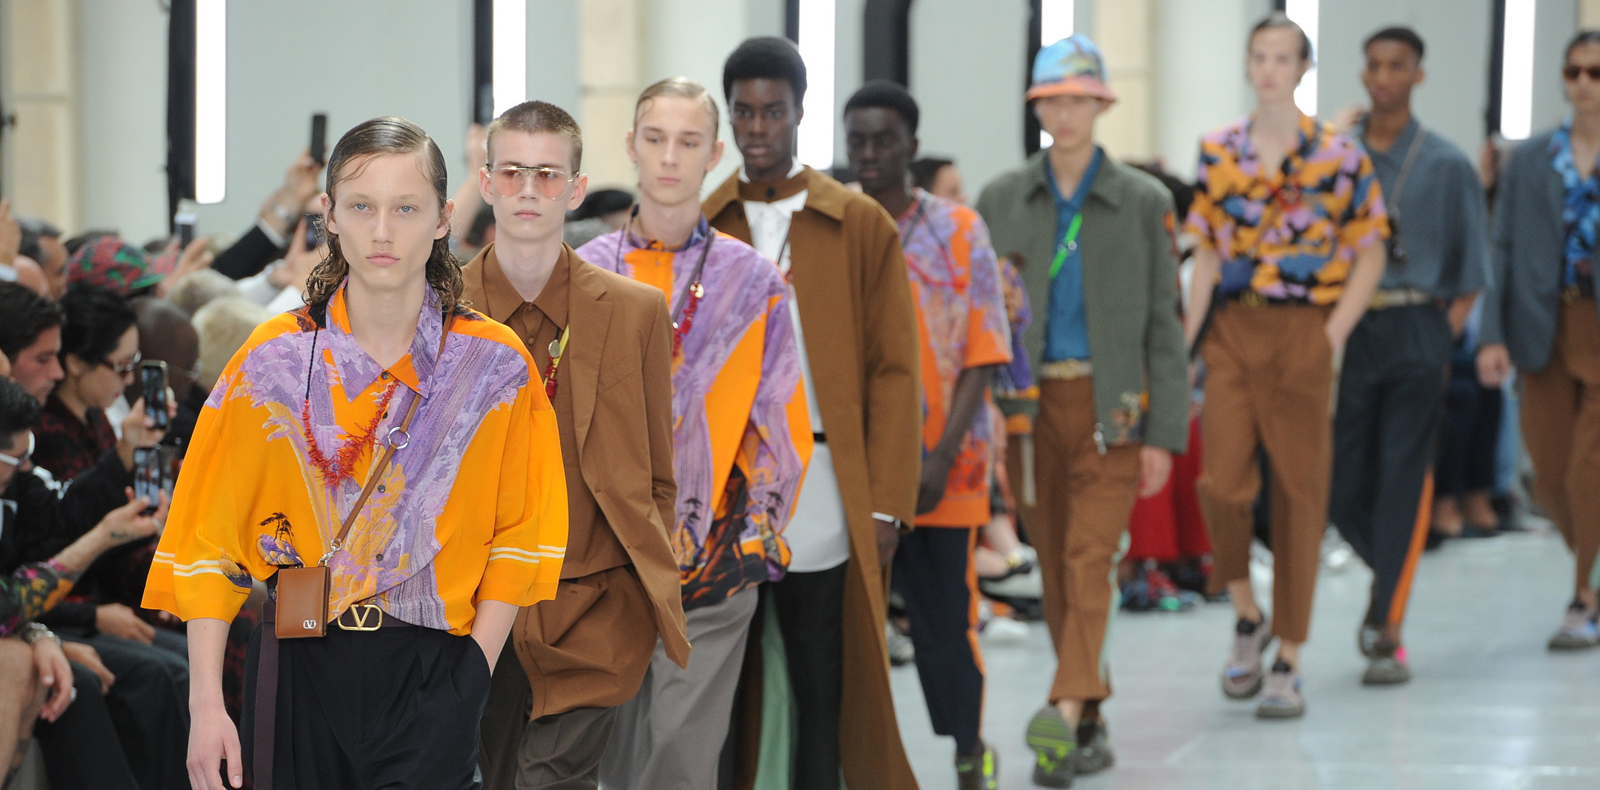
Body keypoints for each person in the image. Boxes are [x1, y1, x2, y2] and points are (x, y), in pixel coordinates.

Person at [147, 116, 569, 790]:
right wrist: (205, 704)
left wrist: (473, 672)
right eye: (362, 207)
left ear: (443, 218)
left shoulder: (493, 365)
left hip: (437, 667)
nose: (382, 231)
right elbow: (207, 535)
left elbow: (524, 529)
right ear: (330, 215)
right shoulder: (271, 361)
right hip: (298, 661)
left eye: (406, 208)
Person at [575, 76, 811, 790]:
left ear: (714, 154)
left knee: (682, 754)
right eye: (656, 139)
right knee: (609, 756)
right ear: (631, 146)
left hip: (713, 552)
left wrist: (758, 528)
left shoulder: (754, 281)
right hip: (603, 555)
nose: (670, 157)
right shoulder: (584, 274)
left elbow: (779, 415)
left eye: (688, 142)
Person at [705, 36, 921, 790]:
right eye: (743, 112)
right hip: (726, 488)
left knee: (820, 677)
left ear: (801, 112)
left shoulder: (858, 223)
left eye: (773, 111)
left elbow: (895, 370)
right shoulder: (705, 223)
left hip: (825, 483)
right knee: (721, 689)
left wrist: (888, 503)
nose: (757, 128)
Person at [975, 33, 1188, 785]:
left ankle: (1062, 711)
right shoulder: (1001, 200)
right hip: (1027, 414)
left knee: (1089, 558)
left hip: (1113, 408)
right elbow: (983, 319)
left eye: (1079, 100)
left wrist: (1164, 432)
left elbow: (1165, 323)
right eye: (1052, 101)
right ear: (1037, 109)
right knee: (1061, 573)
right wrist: (988, 413)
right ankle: (1091, 717)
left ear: (1101, 104)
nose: (1065, 114)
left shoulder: (1145, 202)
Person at [464, 100, 686, 790]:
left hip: (596, 604)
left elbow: (657, 468)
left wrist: (641, 583)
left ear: (577, 188)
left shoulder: (636, 311)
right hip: (473, 609)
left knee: (551, 781)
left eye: (548, 174)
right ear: (487, 182)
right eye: (512, 172)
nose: (529, 190)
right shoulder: (437, 311)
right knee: (496, 776)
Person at [1183, 12, 1388, 719]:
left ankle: (1290, 653)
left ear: (1304, 68)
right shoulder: (1219, 149)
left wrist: (1331, 334)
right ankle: (1247, 610)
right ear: (1248, 65)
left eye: (1282, 57)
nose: (1269, 69)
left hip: (1305, 328)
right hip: (1232, 330)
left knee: (1301, 492)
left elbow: (1371, 251)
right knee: (1220, 483)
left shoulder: (1338, 155)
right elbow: (1207, 253)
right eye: (1259, 56)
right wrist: (1185, 343)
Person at [843, 80, 1010, 788]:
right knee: (852, 629)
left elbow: (985, 347)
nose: (870, 153)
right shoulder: (836, 225)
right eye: (858, 141)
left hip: (945, 468)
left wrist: (939, 459)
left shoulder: (959, 230)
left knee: (944, 625)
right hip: (853, 469)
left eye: (884, 140)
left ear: (911, 144)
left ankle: (969, 746)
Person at [1327, 26, 1489, 683]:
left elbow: (1470, 272)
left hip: (1420, 322)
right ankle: (1394, 569)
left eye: (1397, 66)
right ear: (1362, 74)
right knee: (1341, 485)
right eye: (1373, 65)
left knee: (1402, 475)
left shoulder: (1446, 164)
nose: (1383, 77)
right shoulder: (1341, 158)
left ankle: (1387, 622)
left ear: (1417, 74)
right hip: (1355, 327)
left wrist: (1440, 337)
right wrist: (1330, 143)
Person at [1479, 30, 1600, 650]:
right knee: (1549, 476)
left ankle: (1584, 598)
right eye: (1573, 71)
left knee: (1588, 472)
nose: (1583, 84)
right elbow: (1499, 248)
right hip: (1540, 325)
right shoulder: (1529, 159)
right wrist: (1491, 334)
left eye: (1596, 73)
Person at [33, 285, 140, 481]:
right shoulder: (48, 435)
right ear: (76, 363)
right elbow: (86, 497)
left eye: (133, 363)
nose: (130, 379)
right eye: (122, 367)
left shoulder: (94, 413)